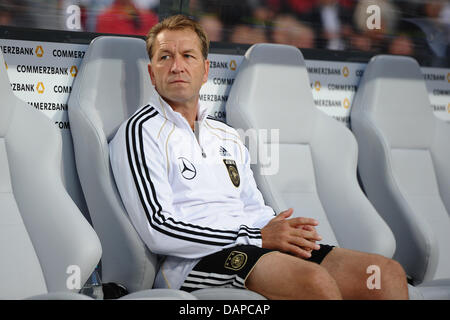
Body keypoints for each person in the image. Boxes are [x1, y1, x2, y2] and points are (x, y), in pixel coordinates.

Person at [109, 14, 409, 299]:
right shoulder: (140, 132)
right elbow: (159, 229)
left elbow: (252, 207)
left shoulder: (226, 135)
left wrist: (283, 233)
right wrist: (257, 237)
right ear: (151, 72)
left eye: (188, 56)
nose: (177, 66)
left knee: (384, 275)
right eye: (165, 57)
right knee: (313, 282)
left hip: (253, 244)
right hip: (193, 263)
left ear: (205, 70)